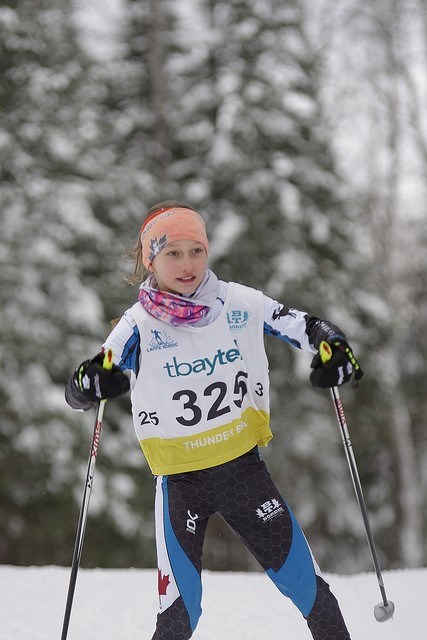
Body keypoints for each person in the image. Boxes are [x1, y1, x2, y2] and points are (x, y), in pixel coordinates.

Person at [65, 201, 358, 640]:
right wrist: (91, 382)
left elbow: (308, 327)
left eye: (196, 251)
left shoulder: (239, 302)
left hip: (244, 471)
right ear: (151, 259)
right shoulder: (137, 325)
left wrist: (335, 349)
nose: (188, 265)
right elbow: (83, 385)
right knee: (180, 616)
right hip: (180, 482)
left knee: (312, 592)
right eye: (173, 253)